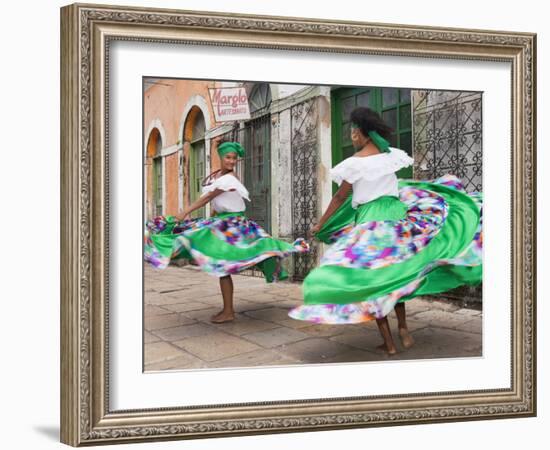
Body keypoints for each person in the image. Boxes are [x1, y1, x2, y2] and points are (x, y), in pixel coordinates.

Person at [288, 107, 483, 355]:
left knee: (373, 280)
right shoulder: (390, 157)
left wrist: (321, 223)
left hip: (372, 221)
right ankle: (403, 328)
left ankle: (389, 343)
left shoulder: (354, 164)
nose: (350, 135)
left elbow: (339, 197)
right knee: (396, 272)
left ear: (360, 133)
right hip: (397, 217)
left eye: (352, 131)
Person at [145, 137, 309, 323]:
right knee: (208, 254)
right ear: (221, 157)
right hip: (222, 222)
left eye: (234, 158)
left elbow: (208, 197)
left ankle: (228, 311)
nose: (232, 161)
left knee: (221, 261)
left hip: (234, 225)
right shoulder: (217, 177)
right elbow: (217, 203)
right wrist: (210, 220)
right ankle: (227, 309)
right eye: (228, 157)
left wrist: (184, 213)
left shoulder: (229, 179)